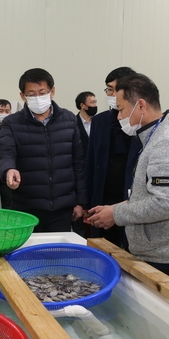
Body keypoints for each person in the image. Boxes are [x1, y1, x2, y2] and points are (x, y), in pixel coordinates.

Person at [87, 73, 169, 292]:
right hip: (157, 254)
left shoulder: (167, 143)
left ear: (140, 105)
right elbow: (149, 194)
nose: (118, 116)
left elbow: (164, 204)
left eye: (121, 110)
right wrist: (116, 208)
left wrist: (116, 215)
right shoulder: (153, 136)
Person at [0, 68, 86, 232]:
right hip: (27, 208)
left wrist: (80, 202)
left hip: (62, 207)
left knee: (58, 254)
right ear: (23, 96)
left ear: (52, 92)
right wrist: (8, 170)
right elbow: (5, 152)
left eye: (42, 92)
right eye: (31, 94)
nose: (37, 98)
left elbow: (78, 163)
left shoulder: (69, 120)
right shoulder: (12, 123)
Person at [84, 67, 140, 246]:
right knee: (102, 249)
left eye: (116, 90)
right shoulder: (100, 121)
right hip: (102, 198)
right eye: (109, 89)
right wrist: (86, 201)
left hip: (131, 202)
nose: (112, 94)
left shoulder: (140, 122)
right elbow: (91, 162)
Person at [73, 91, 97, 236]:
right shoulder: (73, 123)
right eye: (92, 102)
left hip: (95, 172)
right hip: (79, 172)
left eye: (95, 102)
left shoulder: (99, 122)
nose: (95, 105)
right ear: (82, 105)